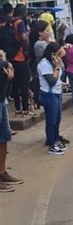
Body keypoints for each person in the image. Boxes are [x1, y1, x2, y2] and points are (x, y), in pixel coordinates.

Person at [37, 42, 67, 155]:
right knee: (51, 120)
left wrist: (61, 83)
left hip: (56, 92)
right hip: (49, 94)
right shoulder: (44, 64)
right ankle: (51, 144)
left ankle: (55, 140)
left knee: (57, 119)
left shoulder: (53, 62)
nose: (59, 57)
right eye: (58, 54)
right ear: (52, 54)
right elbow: (51, 81)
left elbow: (56, 80)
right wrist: (58, 68)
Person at [0, 50, 24, 192]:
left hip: (1, 99)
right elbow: (5, 63)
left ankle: (2, 172)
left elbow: (9, 71)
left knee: (3, 138)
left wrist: (8, 66)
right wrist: (5, 62)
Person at [11, 4, 31, 117]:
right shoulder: (20, 23)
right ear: (23, 12)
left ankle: (17, 108)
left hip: (10, 58)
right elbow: (24, 38)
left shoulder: (9, 22)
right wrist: (26, 49)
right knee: (24, 84)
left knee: (15, 84)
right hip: (20, 56)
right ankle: (25, 108)